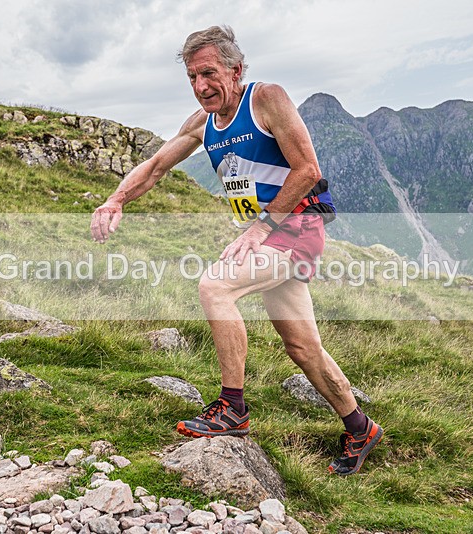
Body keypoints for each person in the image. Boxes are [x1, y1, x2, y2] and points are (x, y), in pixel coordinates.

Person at [91, 25, 382, 475]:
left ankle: (232, 409)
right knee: (303, 347)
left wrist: (261, 227)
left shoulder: (266, 98)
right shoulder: (201, 124)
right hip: (270, 234)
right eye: (191, 77)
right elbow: (153, 168)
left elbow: (307, 169)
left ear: (236, 69)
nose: (200, 86)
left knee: (215, 286)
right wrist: (115, 200)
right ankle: (361, 427)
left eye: (208, 73)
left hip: (296, 227)